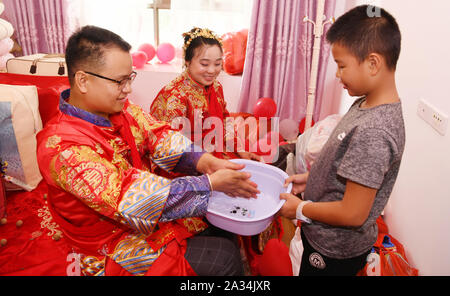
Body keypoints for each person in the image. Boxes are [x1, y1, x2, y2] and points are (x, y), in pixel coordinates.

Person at [36, 25, 260, 276]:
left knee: (223, 228)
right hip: (110, 246)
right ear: (83, 80)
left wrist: (205, 162)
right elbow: (130, 197)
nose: (128, 89)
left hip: (147, 215)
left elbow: (159, 136)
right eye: (119, 81)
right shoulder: (63, 148)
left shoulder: (122, 111)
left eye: (129, 78)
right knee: (225, 257)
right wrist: (208, 185)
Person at [279, 5, 405, 276]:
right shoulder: (364, 103)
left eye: (341, 65)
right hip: (323, 234)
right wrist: (312, 180)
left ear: (373, 63)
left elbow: (352, 214)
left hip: (334, 249)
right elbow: (344, 165)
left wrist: (300, 208)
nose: (337, 74)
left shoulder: (374, 131)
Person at [149, 27, 261, 161]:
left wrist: (240, 150)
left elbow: (224, 120)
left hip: (214, 150)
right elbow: (171, 145)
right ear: (187, 61)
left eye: (218, 64)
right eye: (204, 64)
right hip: (186, 159)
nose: (212, 70)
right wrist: (209, 163)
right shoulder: (176, 96)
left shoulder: (216, 86)